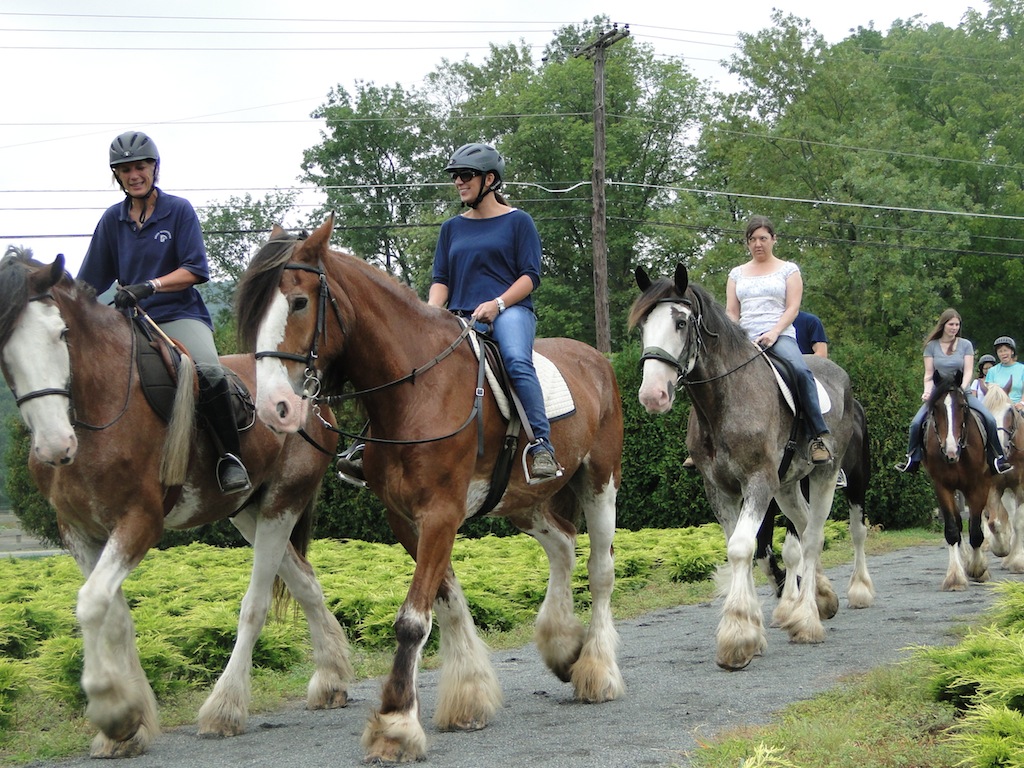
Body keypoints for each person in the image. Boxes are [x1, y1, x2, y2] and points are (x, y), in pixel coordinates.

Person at [77, 130, 251, 494]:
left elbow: (195, 269)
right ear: (117, 176)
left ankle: (230, 458)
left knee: (207, 370)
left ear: (155, 168)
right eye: (125, 170)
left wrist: (149, 286)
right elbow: (89, 281)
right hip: (130, 321)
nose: (134, 175)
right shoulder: (113, 220)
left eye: (140, 166)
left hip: (178, 315)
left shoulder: (179, 211)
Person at [429, 142, 560, 481]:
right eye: (455, 176)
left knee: (516, 360)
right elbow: (441, 279)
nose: (458, 181)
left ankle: (542, 445)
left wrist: (498, 303)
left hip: (509, 311)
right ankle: (368, 448)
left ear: (490, 179)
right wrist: (429, 314)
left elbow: (530, 276)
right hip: (459, 314)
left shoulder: (519, 222)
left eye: (466, 175)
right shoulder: (450, 228)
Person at [725, 215, 833, 464]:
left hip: (779, 335)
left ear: (774, 239)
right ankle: (703, 442)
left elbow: (792, 308)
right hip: (744, 338)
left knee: (800, 371)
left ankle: (818, 435)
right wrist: (733, 336)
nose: (757, 244)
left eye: (763, 238)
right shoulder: (736, 274)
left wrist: (774, 332)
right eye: (752, 239)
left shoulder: (788, 270)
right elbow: (732, 312)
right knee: (710, 369)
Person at [894, 312, 1011, 475]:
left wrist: (962, 388)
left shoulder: (965, 345)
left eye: (957, 325)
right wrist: (927, 392)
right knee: (915, 423)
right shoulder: (931, 347)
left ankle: (996, 459)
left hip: (962, 391)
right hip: (939, 393)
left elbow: (969, 370)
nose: (954, 328)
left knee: (989, 419)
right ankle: (912, 459)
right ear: (943, 325)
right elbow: (928, 375)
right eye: (951, 324)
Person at [986, 336, 1024, 413]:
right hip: (999, 408)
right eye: (1000, 351)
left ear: (1012, 352)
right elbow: (990, 393)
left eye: (1005, 350)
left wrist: (1022, 403)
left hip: (1019, 407)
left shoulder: (1022, 369)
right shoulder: (992, 371)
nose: (1003, 354)